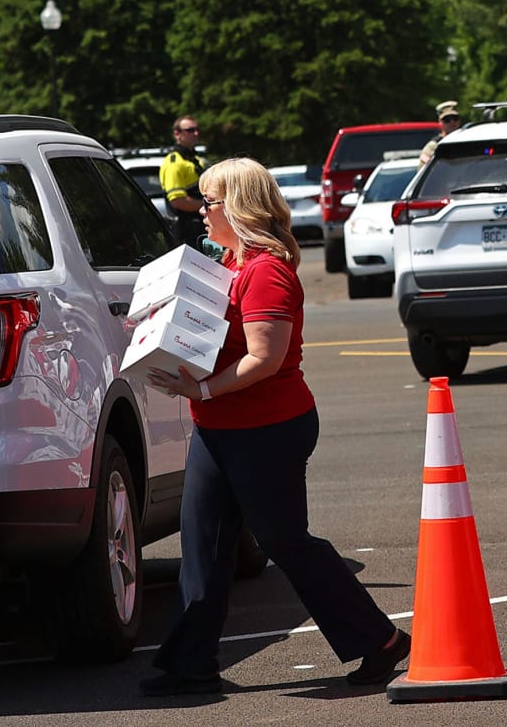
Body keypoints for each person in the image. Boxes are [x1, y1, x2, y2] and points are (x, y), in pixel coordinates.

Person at [140, 158, 411, 696]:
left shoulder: (266, 272)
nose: (201, 211)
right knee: (203, 542)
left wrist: (202, 390)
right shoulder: (231, 263)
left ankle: (380, 640)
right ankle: (191, 663)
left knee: (285, 542)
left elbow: (264, 358)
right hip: (219, 426)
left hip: (267, 427)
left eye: (210, 202)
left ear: (238, 207)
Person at [159, 115, 210, 249]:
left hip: (201, 229)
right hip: (186, 232)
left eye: (197, 129)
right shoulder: (174, 162)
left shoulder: (195, 159)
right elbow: (178, 201)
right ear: (177, 134)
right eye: (190, 130)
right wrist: (209, 205)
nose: (196, 133)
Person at [418, 101, 464, 165]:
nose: (452, 122)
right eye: (447, 120)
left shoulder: (466, 140)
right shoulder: (434, 145)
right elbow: (424, 162)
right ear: (440, 122)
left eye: (455, 118)